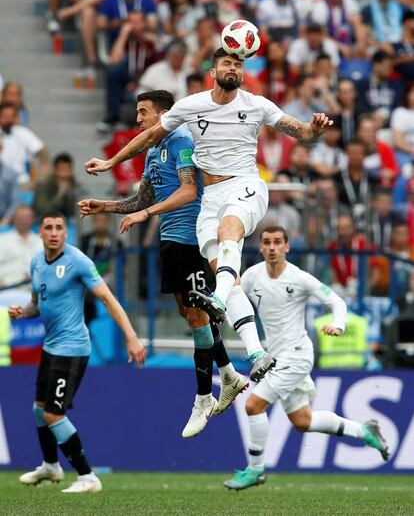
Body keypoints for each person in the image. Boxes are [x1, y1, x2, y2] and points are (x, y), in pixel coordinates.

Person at [83, 47, 333, 382]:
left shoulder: (257, 104)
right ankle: (256, 353)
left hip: (245, 185)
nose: (233, 68)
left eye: (238, 64)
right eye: (227, 63)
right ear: (213, 71)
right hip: (211, 199)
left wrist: (314, 131)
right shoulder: (191, 106)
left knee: (228, 234)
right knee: (229, 281)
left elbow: (301, 131)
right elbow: (149, 136)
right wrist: (112, 163)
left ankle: (215, 300)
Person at [78, 90, 248, 438]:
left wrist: (146, 214)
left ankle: (204, 396)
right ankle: (229, 374)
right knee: (190, 316)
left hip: (191, 240)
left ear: (164, 113)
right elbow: (143, 197)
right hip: (170, 242)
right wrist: (105, 207)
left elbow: (188, 191)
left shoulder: (183, 140)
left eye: (144, 112)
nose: (138, 119)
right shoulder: (154, 150)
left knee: (198, 316)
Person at [223, 226, 389, 491]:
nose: (273, 247)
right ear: (262, 247)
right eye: (267, 242)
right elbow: (235, 301)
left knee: (253, 406)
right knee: (303, 421)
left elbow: (337, 302)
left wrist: (339, 324)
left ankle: (255, 470)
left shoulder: (299, 278)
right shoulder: (251, 276)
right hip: (274, 357)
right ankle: (364, 431)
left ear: (287, 247)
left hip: (297, 356)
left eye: (278, 242)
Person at [9, 211, 146, 493]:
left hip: (72, 348)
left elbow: (108, 299)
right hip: (51, 346)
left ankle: (87, 476)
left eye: (60, 227)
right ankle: (50, 465)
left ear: (66, 233)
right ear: (41, 232)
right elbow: (38, 304)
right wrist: (23, 313)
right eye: (49, 227)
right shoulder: (36, 262)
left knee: (53, 415)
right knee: (39, 410)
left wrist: (132, 338)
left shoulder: (78, 261)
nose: (55, 232)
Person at [33, 153, 80, 220]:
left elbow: (72, 212)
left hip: (64, 220)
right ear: (55, 169)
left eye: (68, 170)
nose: (65, 174)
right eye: (63, 169)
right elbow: (44, 210)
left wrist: (69, 195)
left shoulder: (72, 182)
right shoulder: (42, 184)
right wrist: (60, 194)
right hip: (42, 220)